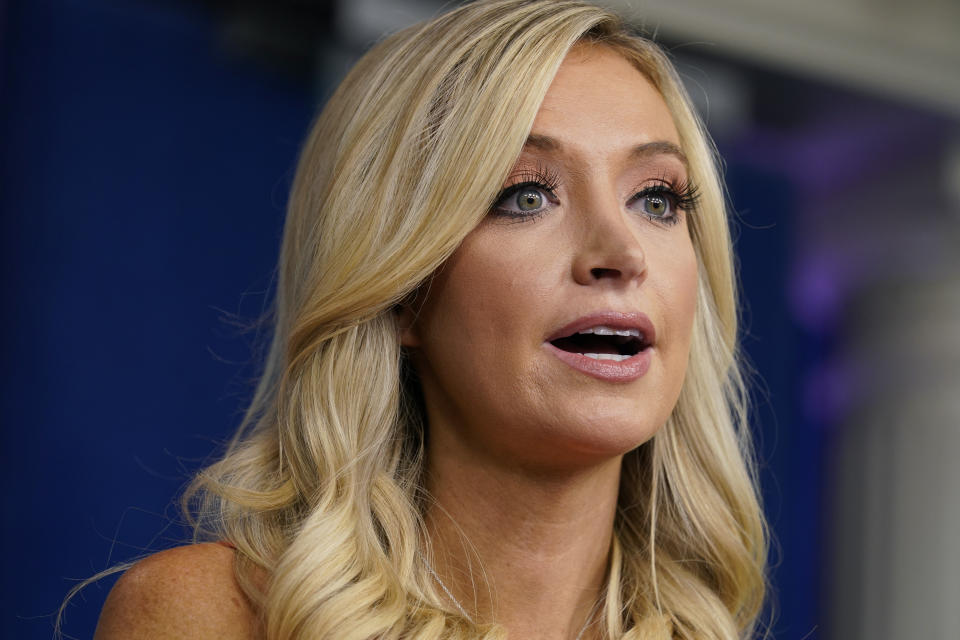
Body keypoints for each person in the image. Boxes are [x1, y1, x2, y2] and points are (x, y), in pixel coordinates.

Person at [92, 1, 767, 638]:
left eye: (656, 199)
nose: (619, 254)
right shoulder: (213, 616)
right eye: (526, 195)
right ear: (403, 288)